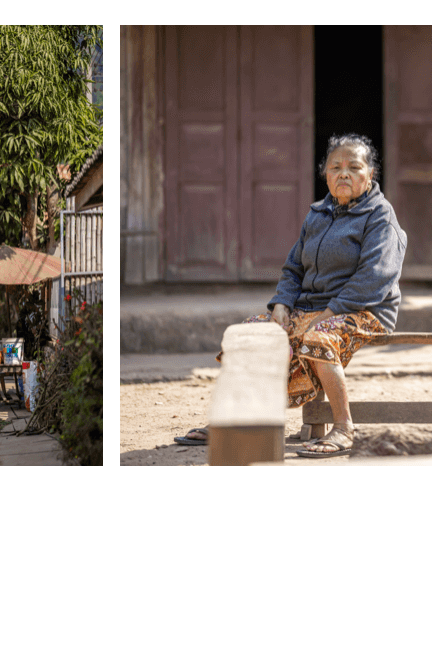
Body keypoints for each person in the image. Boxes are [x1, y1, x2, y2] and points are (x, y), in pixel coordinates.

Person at [171, 135, 406, 459]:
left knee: (318, 338)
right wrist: (281, 305)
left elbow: (374, 278)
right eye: (335, 167)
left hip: (365, 310)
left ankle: (344, 428)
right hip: (310, 308)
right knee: (251, 333)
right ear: (324, 173)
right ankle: (233, 419)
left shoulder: (380, 217)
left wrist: (329, 312)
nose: (344, 174)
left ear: (371, 174)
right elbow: (294, 268)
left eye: (354, 167)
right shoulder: (318, 214)